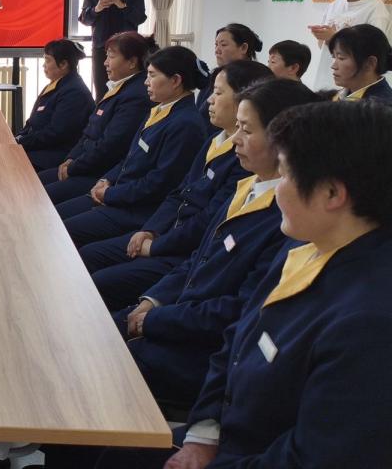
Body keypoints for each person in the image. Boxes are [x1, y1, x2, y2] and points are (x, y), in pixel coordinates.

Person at [112, 101, 392, 469]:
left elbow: (314, 457)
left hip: (250, 456)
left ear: (331, 194)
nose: (277, 189)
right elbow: (237, 338)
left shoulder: (369, 320)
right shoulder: (303, 246)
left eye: (286, 174)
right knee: (111, 448)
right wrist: (203, 434)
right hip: (226, 434)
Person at [119, 78, 320, 413]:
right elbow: (198, 259)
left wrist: (157, 321)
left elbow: (239, 310)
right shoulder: (247, 187)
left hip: (202, 350)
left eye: (247, 130)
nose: (235, 139)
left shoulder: (288, 221)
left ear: (284, 139)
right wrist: (153, 301)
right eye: (236, 127)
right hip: (177, 317)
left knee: (100, 358)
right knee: (95, 329)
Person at [80, 60, 271, 311]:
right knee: (89, 255)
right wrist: (150, 230)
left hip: (179, 247)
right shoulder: (215, 139)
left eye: (218, 92)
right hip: (164, 230)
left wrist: (155, 245)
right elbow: (179, 192)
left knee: (101, 279)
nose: (209, 100)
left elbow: (204, 220)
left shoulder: (241, 159)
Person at [53, 46, 209, 248]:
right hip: (119, 194)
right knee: (53, 216)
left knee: (62, 232)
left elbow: (158, 184)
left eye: (152, 75)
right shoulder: (160, 110)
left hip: (137, 210)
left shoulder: (186, 124)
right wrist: (106, 179)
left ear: (175, 80)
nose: (146, 82)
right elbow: (129, 157)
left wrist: (110, 194)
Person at [40, 31, 154, 203]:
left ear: (132, 62)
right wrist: (71, 158)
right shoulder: (118, 87)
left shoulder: (135, 96)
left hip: (99, 173)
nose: (105, 62)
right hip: (83, 163)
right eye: (106, 56)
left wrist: (74, 167)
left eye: (111, 57)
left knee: (38, 196)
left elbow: (110, 145)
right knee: (32, 183)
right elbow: (88, 131)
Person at [309, 0, 392, 90]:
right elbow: (323, 46)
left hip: (356, 85)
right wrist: (322, 36)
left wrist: (334, 37)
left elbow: (374, 50)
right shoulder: (334, 5)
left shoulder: (375, 9)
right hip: (326, 79)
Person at [15, 39, 95, 172]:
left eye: (47, 61)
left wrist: (21, 142)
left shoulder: (74, 92)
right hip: (39, 148)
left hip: (54, 155)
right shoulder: (56, 85)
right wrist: (18, 137)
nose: (43, 65)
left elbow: (56, 133)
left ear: (63, 64)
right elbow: (32, 122)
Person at [79, 0, 147, 100]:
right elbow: (84, 19)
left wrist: (122, 5)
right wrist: (97, 8)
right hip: (101, 48)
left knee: (130, 90)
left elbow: (140, 18)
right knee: (102, 91)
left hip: (128, 48)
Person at [195, 23, 262, 130]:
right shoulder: (215, 77)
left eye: (223, 45)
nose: (217, 50)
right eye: (216, 45)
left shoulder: (256, 80)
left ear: (243, 48)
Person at [328, 23, 392, 103]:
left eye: (341, 58)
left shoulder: (381, 107)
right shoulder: (340, 94)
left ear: (370, 63)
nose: (333, 66)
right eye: (334, 57)